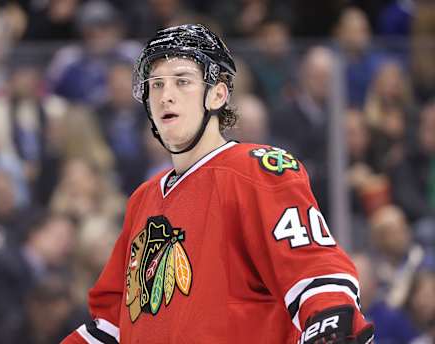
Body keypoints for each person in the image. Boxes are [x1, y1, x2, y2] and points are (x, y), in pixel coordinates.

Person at [62, 24, 374, 343]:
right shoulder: (144, 198)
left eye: (182, 81)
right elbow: (115, 323)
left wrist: (332, 323)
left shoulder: (257, 170)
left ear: (218, 93)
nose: (165, 95)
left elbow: (316, 274)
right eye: (156, 84)